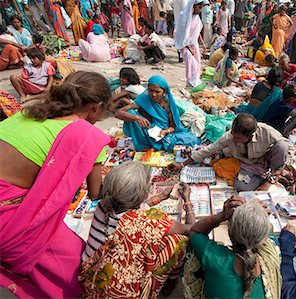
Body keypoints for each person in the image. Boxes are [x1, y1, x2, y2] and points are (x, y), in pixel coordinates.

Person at [0, 71, 111, 298]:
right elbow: (95, 192)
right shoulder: (86, 135)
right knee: (74, 261)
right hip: (6, 219)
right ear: (96, 107)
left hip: (9, 198)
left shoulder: (26, 113)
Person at [80, 162, 195, 298]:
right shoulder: (148, 220)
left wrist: (160, 197)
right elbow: (190, 229)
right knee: (178, 240)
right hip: (122, 292)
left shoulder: (103, 205)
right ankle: (167, 286)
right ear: (142, 194)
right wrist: (187, 200)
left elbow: (131, 209)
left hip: (92, 278)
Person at [184, 198, 281, 298]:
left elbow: (195, 232)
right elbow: (268, 231)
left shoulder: (216, 259)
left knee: (191, 249)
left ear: (229, 231)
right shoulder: (271, 253)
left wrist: (221, 216)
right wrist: (258, 215)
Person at [175, 113, 291, 191]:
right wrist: (182, 164)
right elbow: (209, 150)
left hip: (265, 159)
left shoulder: (266, 131)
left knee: (282, 146)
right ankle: (265, 176)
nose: (234, 139)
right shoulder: (229, 136)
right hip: (248, 164)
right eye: (233, 135)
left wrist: (277, 168)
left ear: (249, 136)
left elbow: (285, 145)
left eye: (238, 138)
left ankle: (275, 174)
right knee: (240, 186)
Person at [115, 75, 201, 152]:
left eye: (157, 92)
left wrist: (165, 131)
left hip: (162, 133)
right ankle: (144, 145)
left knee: (191, 139)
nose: (153, 94)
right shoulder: (144, 99)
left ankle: (156, 146)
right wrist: (137, 118)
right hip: (147, 131)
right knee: (130, 112)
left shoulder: (169, 104)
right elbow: (118, 113)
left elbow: (173, 126)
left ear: (164, 92)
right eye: (151, 91)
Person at [175, 0, 206, 88]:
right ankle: (190, 82)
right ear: (193, 6)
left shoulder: (197, 18)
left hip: (194, 44)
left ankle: (193, 82)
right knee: (191, 64)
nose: (200, 10)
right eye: (199, 8)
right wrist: (189, 47)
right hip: (185, 45)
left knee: (197, 64)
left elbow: (197, 32)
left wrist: (202, 43)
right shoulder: (183, 17)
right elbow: (182, 33)